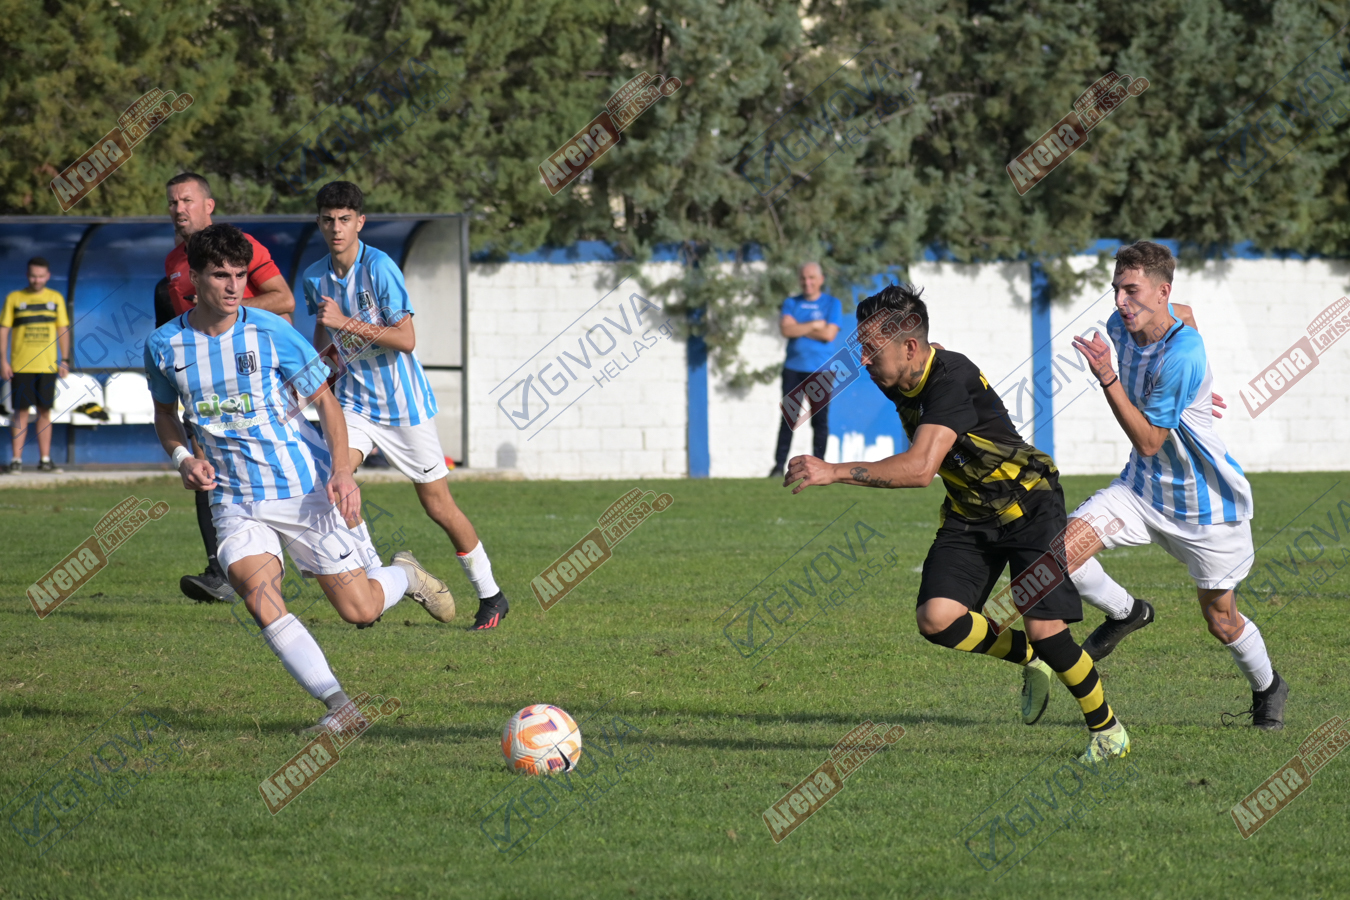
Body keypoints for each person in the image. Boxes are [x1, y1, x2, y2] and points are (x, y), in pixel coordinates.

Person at [784, 283, 1130, 762]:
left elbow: (919, 469)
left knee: (1048, 632)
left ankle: (1108, 732)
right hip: (971, 513)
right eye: (860, 347)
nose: (862, 360)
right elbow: (932, 361)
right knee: (937, 619)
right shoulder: (902, 371)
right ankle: (1030, 658)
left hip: (1029, 505)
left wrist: (833, 471)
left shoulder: (951, 378)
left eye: (871, 349)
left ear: (910, 347)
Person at [144, 223, 453, 731]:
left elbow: (327, 405)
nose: (234, 287)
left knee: (359, 610)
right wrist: (183, 458)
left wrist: (342, 472)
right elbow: (163, 413)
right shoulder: (165, 346)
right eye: (220, 275)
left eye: (240, 275)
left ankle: (406, 574)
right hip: (234, 500)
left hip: (303, 490)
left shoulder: (271, 333)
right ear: (193, 278)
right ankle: (341, 708)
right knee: (258, 594)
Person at [1067, 240, 1287, 730]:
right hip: (1141, 491)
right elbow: (1184, 312)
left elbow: (1150, 440)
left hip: (1205, 506)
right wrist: (1200, 388)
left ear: (1161, 291)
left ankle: (1268, 687)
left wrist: (1108, 377)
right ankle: (1126, 613)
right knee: (1059, 555)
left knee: (1222, 621)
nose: (1120, 301)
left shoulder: (1183, 353)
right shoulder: (1121, 326)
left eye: (1131, 290)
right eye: (1116, 289)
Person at [300, 181, 508, 630]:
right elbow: (323, 333)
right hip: (354, 405)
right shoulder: (314, 277)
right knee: (333, 484)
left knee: (439, 506)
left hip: (403, 408)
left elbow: (406, 339)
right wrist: (316, 375)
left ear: (360, 222)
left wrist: (345, 322)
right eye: (328, 220)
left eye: (345, 219)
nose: (336, 228)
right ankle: (378, 576)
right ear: (318, 223)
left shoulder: (379, 268)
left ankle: (491, 595)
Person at [162, 172, 296, 603]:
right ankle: (219, 570)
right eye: (172, 202)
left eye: (187, 200)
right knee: (204, 467)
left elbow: (284, 299)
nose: (178, 209)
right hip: (207, 384)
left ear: (209, 205)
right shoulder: (174, 261)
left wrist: (225, 310)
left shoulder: (244, 246)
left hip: (258, 381)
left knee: (281, 468)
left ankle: (348, 559)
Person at [771, 262, 843, 478]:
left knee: (819, 420)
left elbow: (829, 334)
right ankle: (778, 467)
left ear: (820, 280)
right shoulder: (791, 302)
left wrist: (798, 327)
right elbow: (786, 330)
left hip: (821, 371)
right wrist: (813, 325)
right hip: (793, 369)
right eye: (803, 278)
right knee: (788, 419)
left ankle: (819, 467)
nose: (807, 282)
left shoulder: (832, 303)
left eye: (811, 278)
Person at [2, 257, 71, 474]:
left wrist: (65, 359)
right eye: (33, 276)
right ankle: (16, 460)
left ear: (48, 276)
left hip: (47, 366)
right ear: (27, 275)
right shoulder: (14, 298)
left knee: (44, 412)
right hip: (21, 365)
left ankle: (45, 460)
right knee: (20, 413)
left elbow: (62, 329)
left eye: (41, 276)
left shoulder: (55, 298)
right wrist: (2, 360)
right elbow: (4, 330)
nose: (37, 280)